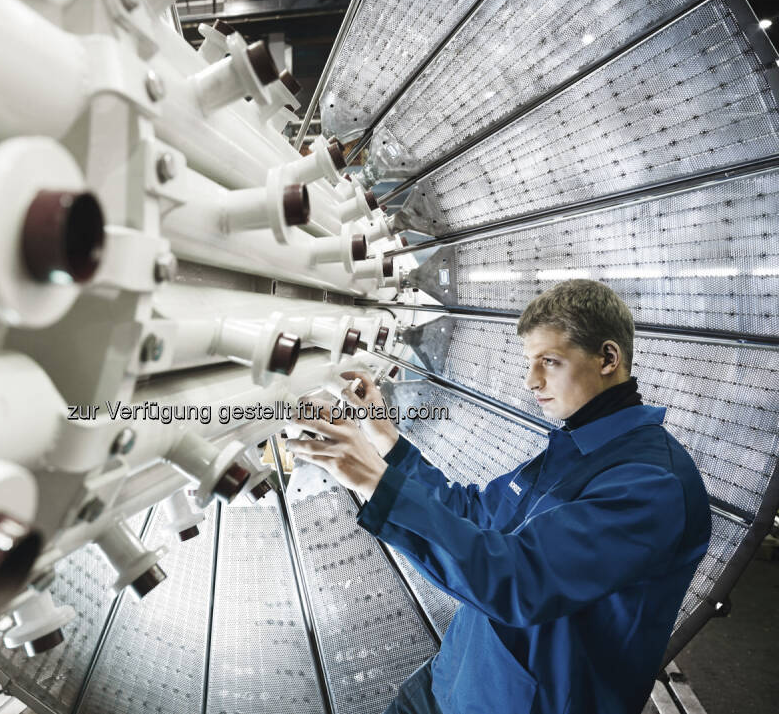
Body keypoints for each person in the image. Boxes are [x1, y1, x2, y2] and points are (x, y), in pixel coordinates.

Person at [286, 279, 711, 714]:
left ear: (607, 358)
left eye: (549, 361)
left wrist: (377, 483)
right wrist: (385, 439)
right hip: (451, 680)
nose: (531, 381)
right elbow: (473, 514)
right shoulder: (576, 449)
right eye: (529, 362)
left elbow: (521, 581)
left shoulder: (652, 484)